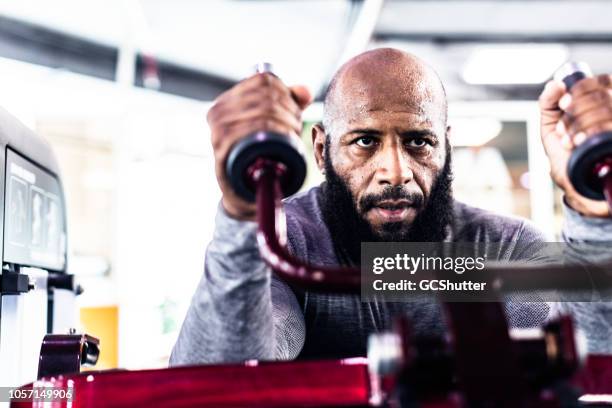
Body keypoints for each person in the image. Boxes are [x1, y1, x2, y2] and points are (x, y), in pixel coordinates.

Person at [170, 48, 612, 365]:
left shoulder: (507, 246)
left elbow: (592, 365)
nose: (396, 172)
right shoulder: (286, 242)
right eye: (365, 141)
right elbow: (224, 380)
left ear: (446, 147)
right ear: (321, 150)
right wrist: (243, 220)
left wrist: (594, 210)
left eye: (419, 141)